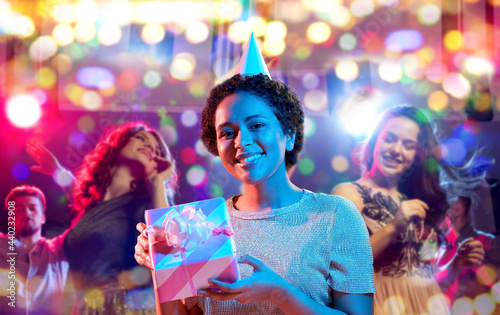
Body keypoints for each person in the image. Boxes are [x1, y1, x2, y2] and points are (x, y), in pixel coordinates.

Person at [135, 34, 375, 314]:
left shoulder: (335, 215)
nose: (240, 141)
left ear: (289, 133)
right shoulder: (202, 227)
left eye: (257, 125)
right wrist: (162, 266)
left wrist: (279, 292)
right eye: (227, 132)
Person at [332, 105, 486, 314]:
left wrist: (457, 264)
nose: (396, 149)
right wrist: (393, 227)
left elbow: (428, 280)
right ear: (376, 140)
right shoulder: (348, 193)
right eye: (389, 138)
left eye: (408, 145)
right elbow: (344, 267)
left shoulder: (419, 201)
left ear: (417, 154)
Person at [62, 122, 177, 314]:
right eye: (141, 139)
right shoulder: (89, 209)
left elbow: (170, 255)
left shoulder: (150, 201)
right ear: (116, 145)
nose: (150, 147)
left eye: (156, 149)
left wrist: (157, 184)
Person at [0, 185, 70, 315]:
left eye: (32, 208)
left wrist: (61, 175)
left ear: (43, 218)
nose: (26, 213)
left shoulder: (59, 249)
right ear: (11, 219)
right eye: (19, 209)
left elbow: (90, 213)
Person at [437, 193, 500, 306]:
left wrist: (456, 238)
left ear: (457, 209)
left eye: (440, 206)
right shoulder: (439, 249)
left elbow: (495, 284)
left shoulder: (487, 241)